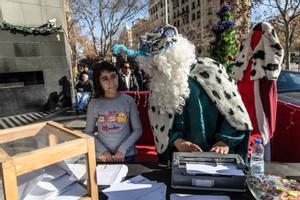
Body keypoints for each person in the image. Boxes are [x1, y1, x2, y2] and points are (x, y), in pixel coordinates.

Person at [134, 25, 252, 161]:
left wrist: (224, 141)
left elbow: (235, 113)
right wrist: (177, 141)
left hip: (218, 157)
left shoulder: (209, 70)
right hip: (182, 158)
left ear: (173, 58)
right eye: (152, 66)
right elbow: (160, 122)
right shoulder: (159, 85)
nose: (156, 70)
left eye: (160, 64)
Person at [231, 22, 284, 161]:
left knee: (260, 130)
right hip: (247, 95)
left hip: (257, 89)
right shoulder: (247, 66)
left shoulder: (265, 76)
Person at [85, 61, 142, 163]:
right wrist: (102, 151)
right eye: (105, 79)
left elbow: (138, 129)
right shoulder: (93, 104)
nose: (111, 82)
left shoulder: (128, 101)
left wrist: (123, 149)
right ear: (98, 82)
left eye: (113, 76)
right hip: (104, 157)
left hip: (127, 156)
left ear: (118, 77)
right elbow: (88, 132)